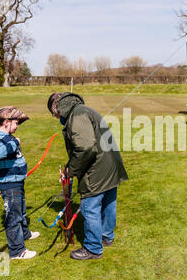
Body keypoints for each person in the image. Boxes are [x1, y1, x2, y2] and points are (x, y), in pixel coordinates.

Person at [47, 92, 129, 260]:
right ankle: (106, 237)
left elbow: (85, 147)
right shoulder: (82, 110)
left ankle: (93, 247)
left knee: (89, 207)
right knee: (108, 203)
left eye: (54, 115)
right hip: (110, 164)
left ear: (57, 109)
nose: (57, 118)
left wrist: (71, 170)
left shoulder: (76, 115)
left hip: (97, 168)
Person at [0, 107, 40, 260]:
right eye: (15, 123)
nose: (17, 126)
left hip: (16, 181)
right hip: (9, 184)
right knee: (13, 216)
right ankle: (17, 251)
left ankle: (25, 234)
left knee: (20, 211)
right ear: (5, 122)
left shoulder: (7, 136)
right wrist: (15, 143)